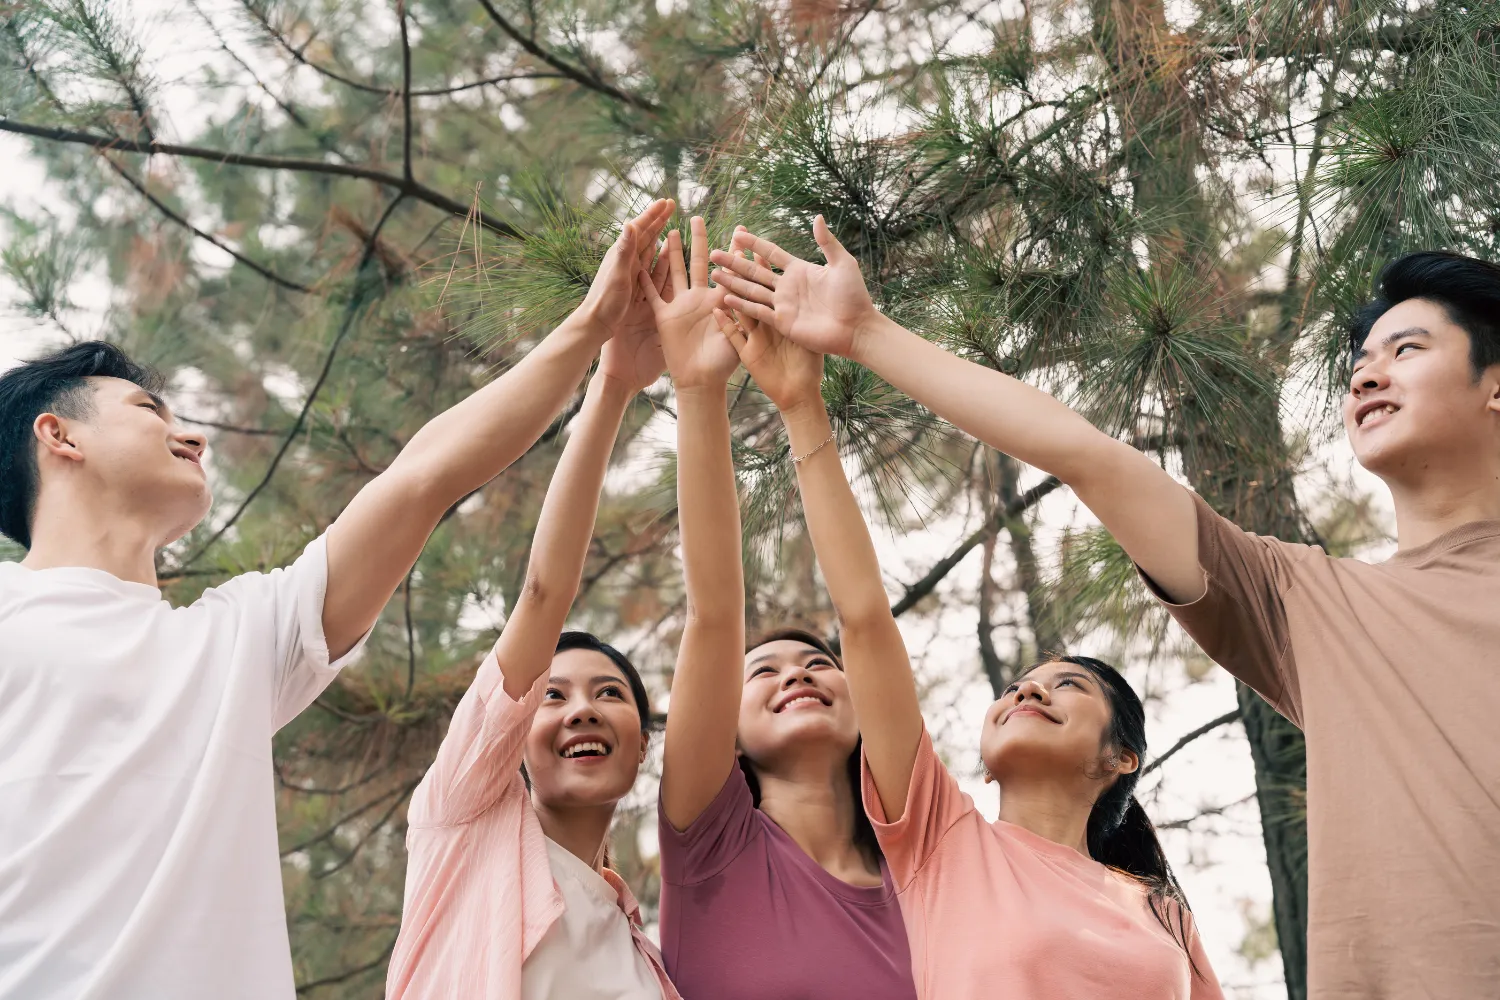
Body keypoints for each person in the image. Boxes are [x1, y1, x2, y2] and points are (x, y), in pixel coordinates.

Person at [711, 226, 1500, 997]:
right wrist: (865, 334)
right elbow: (1083, 455)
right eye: (1359, 362)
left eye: (1407, 351)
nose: (1364, 378)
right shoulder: (1308, 603)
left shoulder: (1160, 916)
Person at [0, 197, 675, 1000]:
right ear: (59, 436)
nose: (193, 436)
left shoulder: (239, 639)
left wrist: (592, 327)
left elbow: (424, 477)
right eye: (150, 410)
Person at [707, 299, 1222, 999]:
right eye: (1016, 687)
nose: (1027, 691)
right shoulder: (939, 841)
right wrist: (802, 407)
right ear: (980, 765)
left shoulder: (1163, 912)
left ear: (1121, 758)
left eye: (1069, 685)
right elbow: (864, 620)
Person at [385, 234, 681, 999]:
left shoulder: (642, 949)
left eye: (610, 694)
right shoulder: (467, 825)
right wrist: (613, 383)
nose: (583, 707)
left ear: (643, 747)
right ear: (516, 739)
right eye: (554, 693)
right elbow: (545, 593)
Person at [638, 222, 915, 999]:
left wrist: (803, 406)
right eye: (764, 673)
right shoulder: (708, 841)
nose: (798, 672)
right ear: (726, 729)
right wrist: (698, 394)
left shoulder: (921, 864)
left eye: (818, 664)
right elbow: (716, 614)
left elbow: (865, 620)